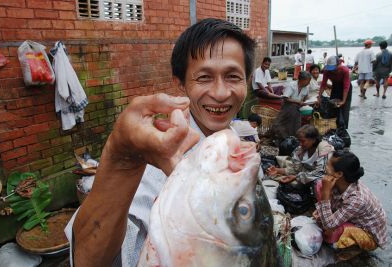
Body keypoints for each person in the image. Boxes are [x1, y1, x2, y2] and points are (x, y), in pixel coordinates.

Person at [66, 18, 256, 267]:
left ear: (247, 81)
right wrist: (121, 157)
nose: (220, 93)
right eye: (204, 78)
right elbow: (89, 260)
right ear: (181, 84)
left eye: (232, 76)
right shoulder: (158, 155)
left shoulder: (235, 142)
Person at [313, 151, 387, 260]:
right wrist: (322, 210)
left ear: (339, 174)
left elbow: (329, 225)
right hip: (353, 217)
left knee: (330, 233)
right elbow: (334, 201)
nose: (325, 169)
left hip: (368, 233)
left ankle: (356, 247)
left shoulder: (357, 199)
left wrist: (325, 195)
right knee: (320, 185)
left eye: (328, 166)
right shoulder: (342, 183)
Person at [267, 125, 334, 185]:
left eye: (303, 141)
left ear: (313, 139)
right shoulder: (300, 150)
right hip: (306, 178)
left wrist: (297, 177)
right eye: (299, 141)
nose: (300, 144)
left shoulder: (324, 148)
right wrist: (277, 170)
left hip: (322, 182)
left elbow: (320, 173)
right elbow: (295, 170)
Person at [270, 71, 311, 141]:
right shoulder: (292, 85)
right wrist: (297, 101)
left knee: (295, 124)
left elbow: (305, 97)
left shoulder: (306, 88)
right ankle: (282, 138)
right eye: (308, 81)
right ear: (302, 80)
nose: (309, 83)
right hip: (287, 107)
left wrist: (307, 101)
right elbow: (285, 98)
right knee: (282, 123)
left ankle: (292, 139)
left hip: (297, 108)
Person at [318, 56, 352, 128]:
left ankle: (343, 127)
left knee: (344, 107)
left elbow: (346, 86)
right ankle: (333, 125)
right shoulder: (326, 70)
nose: (332, 71)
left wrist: (343, 100)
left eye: (334, 69)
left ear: (338, 64)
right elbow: (323, 84)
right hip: (335, 86)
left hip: (346, 87)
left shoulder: (344, 70)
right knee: (332, 105)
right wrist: (319, 96)